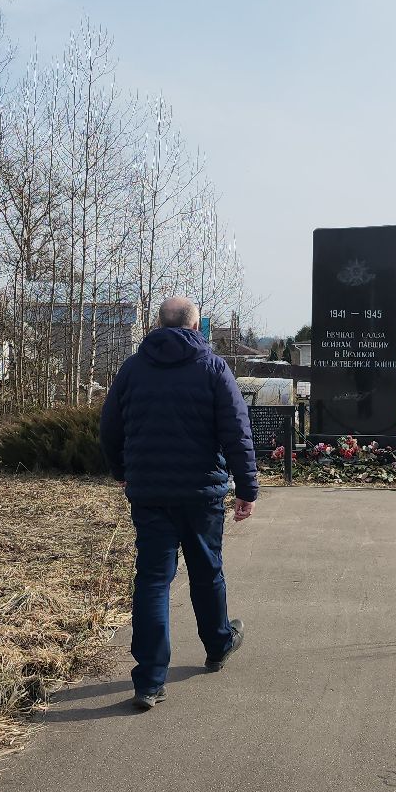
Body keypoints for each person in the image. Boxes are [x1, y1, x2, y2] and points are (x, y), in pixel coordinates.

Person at [99, 296, 257, 710]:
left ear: (158, 324)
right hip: (201, 493)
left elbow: (110, 427)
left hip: (150, 493)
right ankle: (219, 644)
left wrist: (121, 470)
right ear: (194, 325)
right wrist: (246, 487)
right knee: (207, 571)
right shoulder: (212, 368)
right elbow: (236, 431)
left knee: (153, 579)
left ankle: (150, 680)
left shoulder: (133, 368)